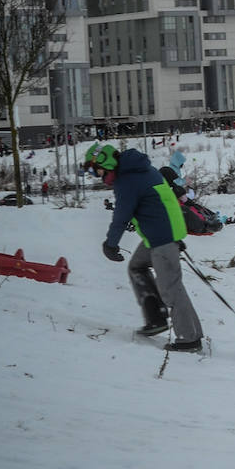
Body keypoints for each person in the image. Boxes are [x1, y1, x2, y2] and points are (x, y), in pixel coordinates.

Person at [87, 143, 204, 353]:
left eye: (97, 170)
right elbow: (154, 202)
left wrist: (110, 244)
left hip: (162, 237)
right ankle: (156, 318)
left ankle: (189, 339)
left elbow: (121, 216)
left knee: (171, 288)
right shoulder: (139, 170)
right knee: (137, 266)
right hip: (160, 234)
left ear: (106, 162)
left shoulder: (127, 180)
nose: (98, 175)